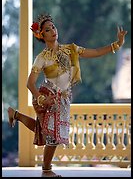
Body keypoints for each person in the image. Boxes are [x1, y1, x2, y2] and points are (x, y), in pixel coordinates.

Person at [7, 13, 127, 177]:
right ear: (42, 35)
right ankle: (46, 171)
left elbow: (96, 51)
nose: (53, 31)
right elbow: (30, 83)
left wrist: (117, 44)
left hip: (63, 97)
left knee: (43, 131)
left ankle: (15, 115)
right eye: (48, 30)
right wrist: (42, 99)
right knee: (53, 137)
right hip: (48, 96)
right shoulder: (41, 58)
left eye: (53, 27)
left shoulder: (71, 49)